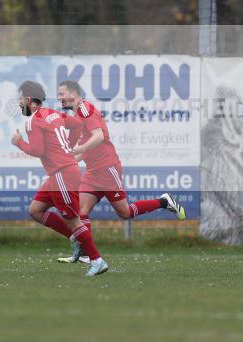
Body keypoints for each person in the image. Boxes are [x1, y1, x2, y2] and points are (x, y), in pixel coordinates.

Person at [55, 80, 186, 264]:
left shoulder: (84, 108)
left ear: (73, 93)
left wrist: (77, 150)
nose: (59, 98)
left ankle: (164, 201)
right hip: (94, 171)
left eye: (61, 94)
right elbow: (87, 149)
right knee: (80, 212)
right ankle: (85, 254)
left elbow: (99, 136)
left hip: (107, 168)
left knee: (125, 212)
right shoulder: (78, 114)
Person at [11, 80, 109, 277]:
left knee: (73, 220)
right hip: (60, 173)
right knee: (35, 210)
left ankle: (96, 260)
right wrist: (68, 148)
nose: (19, 103)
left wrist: (19, 142)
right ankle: (75, 238)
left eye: (21, 99)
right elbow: (77, 125)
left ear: (29, 100)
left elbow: (38, 150)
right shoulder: (51, 113)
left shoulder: (33, 120)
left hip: (62, 173)